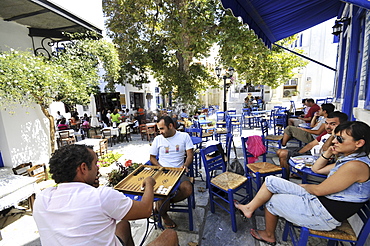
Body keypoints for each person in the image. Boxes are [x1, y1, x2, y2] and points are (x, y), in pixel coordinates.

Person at [236, 120, 370, 245]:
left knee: (272, 200)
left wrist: (300, 187)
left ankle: (269, 235)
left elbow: (318, 190)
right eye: (335, 137)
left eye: (340, 139)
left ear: (359, 143)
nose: (334, 141)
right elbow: (316, 169)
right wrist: (329, 151)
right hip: (320, 202)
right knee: (271, 181)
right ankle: (250, 209)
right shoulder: (350, 161)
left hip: (323, 214)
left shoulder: (355, 167)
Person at [33, 144, 178, 246]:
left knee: (123, 225)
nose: (98, 168)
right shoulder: (100, 196)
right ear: (83, 168)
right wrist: (149, 184)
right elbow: (146, 210)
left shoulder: (41, 199)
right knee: (170, 236)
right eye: (95, 164)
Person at [149, 116, 193, 229]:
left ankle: (161, 207)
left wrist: (185, 165)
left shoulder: (184, 136)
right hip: (162, 171)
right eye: (159, 129)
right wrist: (160, 168)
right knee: (163, 192)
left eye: (162, 129)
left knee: (188, 188)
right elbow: (152, 158)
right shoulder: (158, 139)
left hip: (179, 171)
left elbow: (189, 155)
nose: (160, 132)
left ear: (170, 126)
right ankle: (163, 214)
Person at [276, 111, 348, 175]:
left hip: (319, 159)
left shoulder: (341, 137)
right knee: (280, 152)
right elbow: (312, 144)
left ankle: (286, 177)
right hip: (311, 152)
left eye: (333, 124)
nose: (328, 127)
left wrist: (333, 135)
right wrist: (299, 154)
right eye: (326, 123)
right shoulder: (326, 132)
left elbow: (324, 150)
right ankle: (289, 175)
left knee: (282, 153)